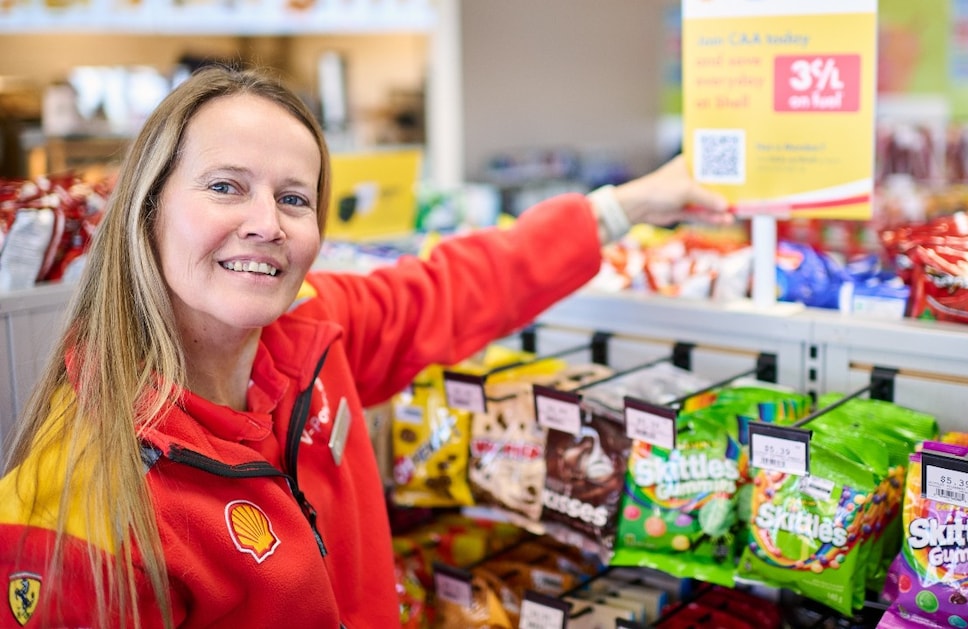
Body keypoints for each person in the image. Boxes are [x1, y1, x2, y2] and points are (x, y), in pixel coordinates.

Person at [0, 65, 728, 628]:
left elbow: (456, 287)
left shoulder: (314, 327)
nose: (268, 223)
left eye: (294, 198)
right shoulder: (75, 493)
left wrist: (626, 205)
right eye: (226, 186)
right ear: (147, 209)